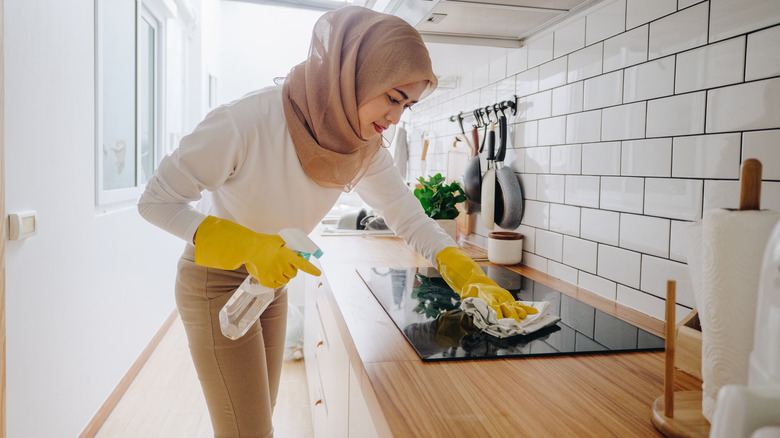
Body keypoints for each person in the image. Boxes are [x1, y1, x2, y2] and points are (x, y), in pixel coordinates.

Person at [138, 5, 536, 437]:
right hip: (214, 284)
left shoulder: (362, 145)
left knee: (258, 417)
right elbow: (156, 201)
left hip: (269, 283)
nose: (395, 117)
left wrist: (459, 266)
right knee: (246, 431)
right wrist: (247, 244)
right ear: (358, 76)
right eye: (393, 98)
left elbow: (409, 217)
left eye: (409, 105)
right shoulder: (246, 121)